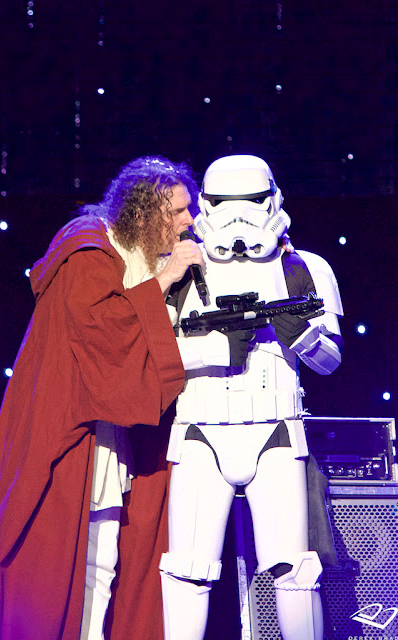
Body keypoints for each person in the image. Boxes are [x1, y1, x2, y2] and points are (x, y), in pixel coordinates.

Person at [0, 155, 205, 640]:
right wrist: (165, 279)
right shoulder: (86, 250)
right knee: (65, 562)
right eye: (179, 211)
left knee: (102, 564)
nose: (190, 220)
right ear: (145, 212)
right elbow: (106, 331)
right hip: (71, 431)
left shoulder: (140, 256)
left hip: (109, 433)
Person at [159, 154, 344, 640]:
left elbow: (330, 360)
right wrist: (213, 348)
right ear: (207, 204)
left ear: (272, 200)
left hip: (276, 429)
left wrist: (301, 335)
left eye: (251, 201)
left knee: (295, 573)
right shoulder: (180, 269)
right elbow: (147, 354)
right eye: (225, 203)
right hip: (200, 429)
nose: (238, 217)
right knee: (186, 570)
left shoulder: (303, 268)